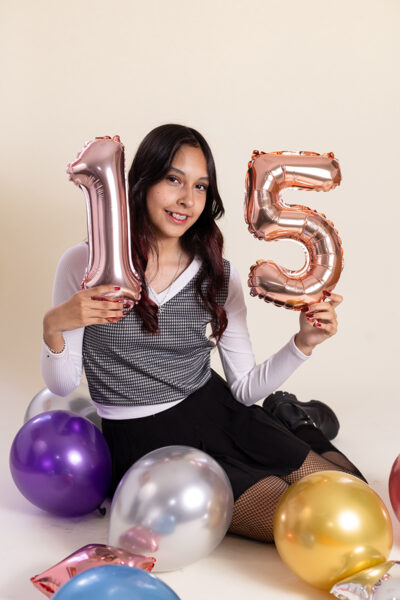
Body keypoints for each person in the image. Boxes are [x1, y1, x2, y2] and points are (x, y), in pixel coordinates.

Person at [41, 124, 365, 543]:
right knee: (315, 524)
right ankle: (287, 418)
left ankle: (293, 419)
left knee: (354, 496)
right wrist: (55, 324)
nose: (187, 200)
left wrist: (303, 343)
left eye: (200, 186)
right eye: (173, 180)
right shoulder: (86, 265)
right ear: (142, 182)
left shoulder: (217, 274)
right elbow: (63, 385)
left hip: (217, 409)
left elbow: (244, 389)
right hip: (147, 443)